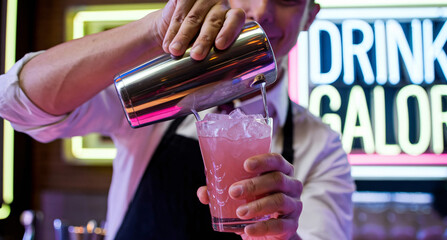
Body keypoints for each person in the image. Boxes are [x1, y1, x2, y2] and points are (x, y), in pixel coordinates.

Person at [0, 0, 355, 239]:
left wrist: (285, 236)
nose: (262, 10)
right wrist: (152, 30)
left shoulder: (320, 147)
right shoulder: (157, 90)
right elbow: (15, 102)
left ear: (311, 15)